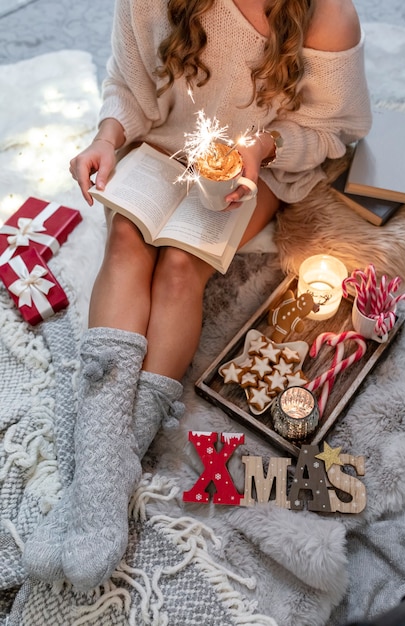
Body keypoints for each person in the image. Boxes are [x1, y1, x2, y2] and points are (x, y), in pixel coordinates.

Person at [23, 0, 372, 592]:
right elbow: (127, 86)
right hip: (160, 148)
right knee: (127, 241)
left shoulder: (329, 15)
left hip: (254, 169)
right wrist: (107, 138)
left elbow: (333, 129)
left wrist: (262, 149)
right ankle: (105, 469)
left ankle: (99, 479)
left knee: (184, 264)